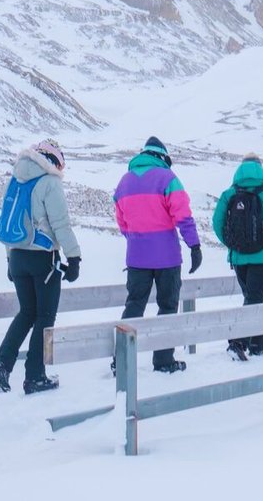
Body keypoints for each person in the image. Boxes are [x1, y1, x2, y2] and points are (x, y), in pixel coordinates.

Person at [0, 140, 80, 395]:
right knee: (44, 317)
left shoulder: (16, 179)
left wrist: (9, 260)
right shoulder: (49, 183)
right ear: (54, 161)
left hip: (17, 256)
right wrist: (74, 258)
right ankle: (35, 376)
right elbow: (60, 224)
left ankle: (1, 366)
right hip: (43, 260)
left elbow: (9, 219)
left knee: (26, 313)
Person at [113, 136, 200, 373]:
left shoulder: (124, 182)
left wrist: (137, 240)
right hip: (167, 258)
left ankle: (120, 360)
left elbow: (122, 222)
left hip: (136, 258)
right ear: (162, 157)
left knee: (134, 305)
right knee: (168, 307)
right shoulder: (168, 178)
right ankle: (163, 360)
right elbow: (183, 216)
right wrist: (194, 245)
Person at [211, 153, 263, 360]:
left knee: (253, 298)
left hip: (239, 258)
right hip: (262, 257)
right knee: (255, 299)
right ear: (261, 169)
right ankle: (239, 341)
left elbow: (217, 223)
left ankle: (258, 345)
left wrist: (232, 244)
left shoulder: (229, 194)